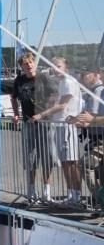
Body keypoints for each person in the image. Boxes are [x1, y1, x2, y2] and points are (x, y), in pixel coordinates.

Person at [12, 52, 59, 202]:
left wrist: (45, 112)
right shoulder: (19, 80)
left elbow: (56, 95)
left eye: (31, 62)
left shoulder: (44, 77)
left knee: (47, 157)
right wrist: (15, 114)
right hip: (28, 123)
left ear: (35, 63)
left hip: (45, 123)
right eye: (26, 64)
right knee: (30, 159)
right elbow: (13, 97)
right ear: (22, 67)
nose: (29, 65)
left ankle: (47, 193)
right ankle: (31, 192)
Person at [40, 57, 82, 205]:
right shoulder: (63, 82)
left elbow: (63, 105)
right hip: (60, 125)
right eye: (52, 66)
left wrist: (42, 114)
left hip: (67, 126)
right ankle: (71, 194)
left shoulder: (69, 82)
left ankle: (76, 195)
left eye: (58, 66)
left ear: (66, 67)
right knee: (65, 162)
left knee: (71, 162)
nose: (55, 69)